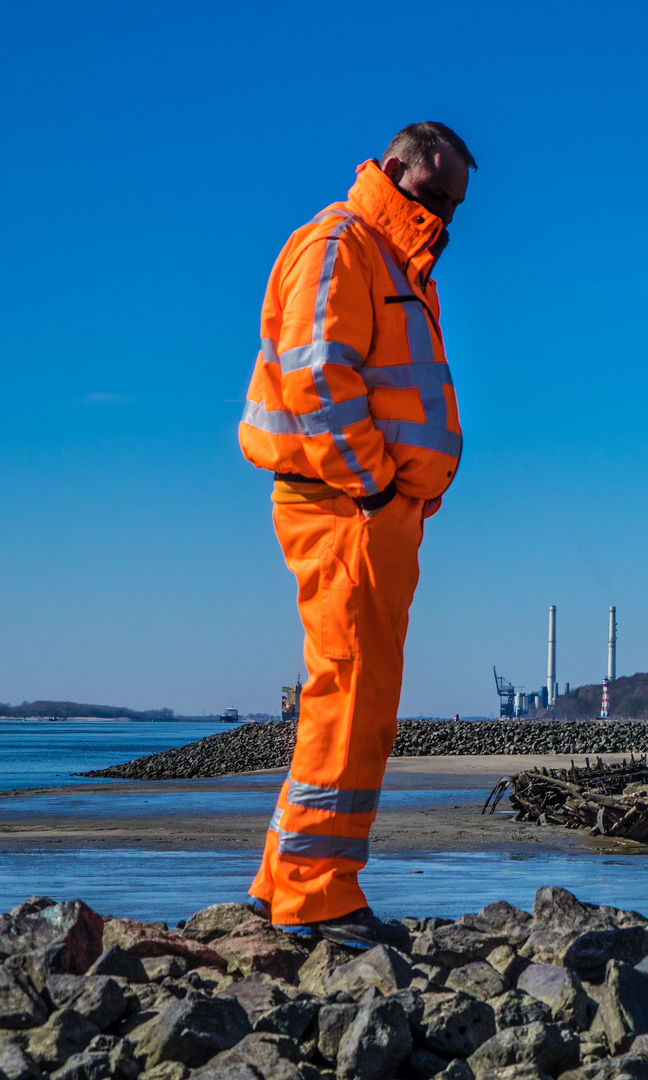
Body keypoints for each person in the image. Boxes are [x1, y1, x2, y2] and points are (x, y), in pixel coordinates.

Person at [237, 122, 474, 947]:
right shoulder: (343, 245)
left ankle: (284, 880)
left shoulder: (398, 264)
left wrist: (401, 498)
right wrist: (374, 487)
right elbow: (316, 380)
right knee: (350, 693)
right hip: (344, 507)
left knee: (350, 696)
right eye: (436, 197)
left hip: (374, 513)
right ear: (397, 172)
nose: (445, 217)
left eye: (456, 206)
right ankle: (319, 894)